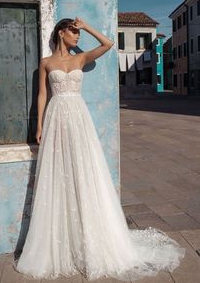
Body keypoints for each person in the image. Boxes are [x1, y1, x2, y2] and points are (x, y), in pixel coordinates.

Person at [13, 17, 185, 281]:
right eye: (73, 32)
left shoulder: (80, 60)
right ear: (61, 32)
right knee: (58, 171)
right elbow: (42, 95)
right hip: (57, 116)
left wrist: (87, 27)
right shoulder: (47, 63)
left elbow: (108, 44)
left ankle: (91, 236)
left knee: (84, 168)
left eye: (78, 33)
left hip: (79, 117)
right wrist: (39, 124)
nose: (77, 37)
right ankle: (62, 242)